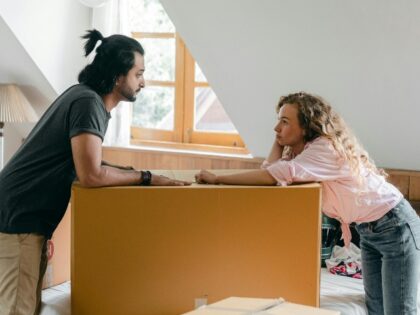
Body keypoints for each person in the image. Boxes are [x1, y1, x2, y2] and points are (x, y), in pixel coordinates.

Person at [0, 29, 190, 315]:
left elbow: (84, 165)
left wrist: (131, 172)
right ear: (117, 76)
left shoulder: (85, 99)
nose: (143, 82)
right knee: (17, 310)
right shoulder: (88, 103)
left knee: (26, 307)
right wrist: (145, 178)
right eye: (138, 74)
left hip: (24, 216)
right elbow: (90, 175)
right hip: (19, 216)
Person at [195, 92, 420, 315]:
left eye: (284, 122)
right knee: (377, 309)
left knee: (400, 311)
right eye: (278, 121)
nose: (276, 128)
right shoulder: (303, 155)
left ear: (306, 127)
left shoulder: (324, 149)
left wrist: (217, 178)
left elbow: (272, 175)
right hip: (369, 229)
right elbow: (269, 175)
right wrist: (279, 140)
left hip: (394, 225)